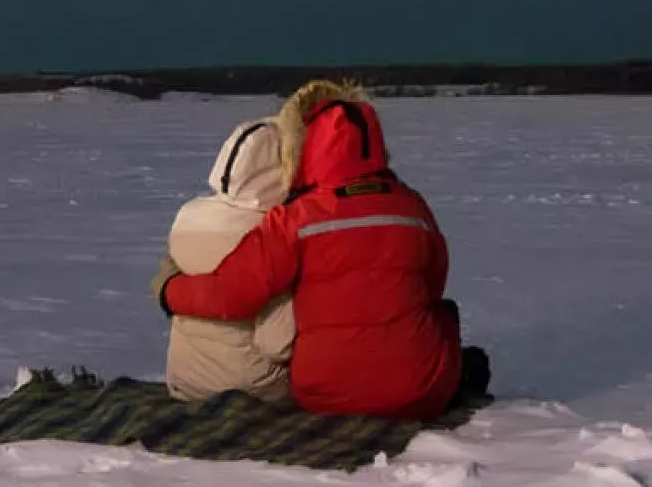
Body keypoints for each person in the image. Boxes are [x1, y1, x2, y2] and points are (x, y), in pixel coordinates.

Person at [152, 79, 468, 420]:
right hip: (419, 393)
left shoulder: (296, 219)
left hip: (323, 394)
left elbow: (231, 294)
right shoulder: (413, 208)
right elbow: (433, 285)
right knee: (443, 315)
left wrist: (170, 291)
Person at [162, 116, 296, 403]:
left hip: (183, 381)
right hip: (255, 388)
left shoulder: (187, 215)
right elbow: (277, 345)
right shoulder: (273, 233)